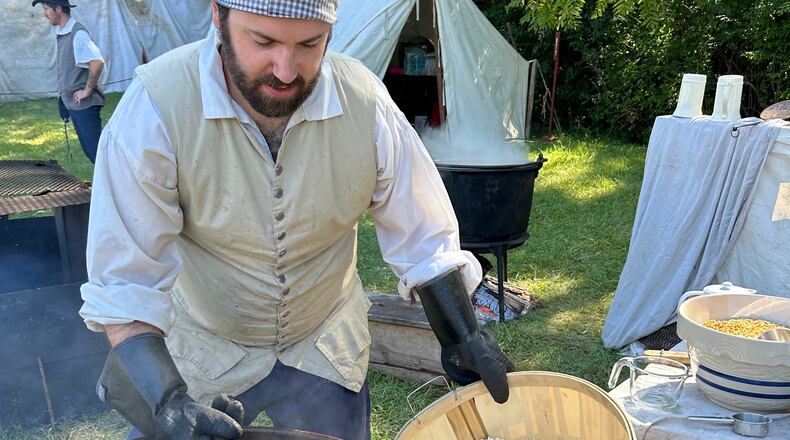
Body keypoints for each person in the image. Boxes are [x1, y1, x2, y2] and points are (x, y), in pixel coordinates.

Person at [79, 1, 515, 439]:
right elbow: (125, 279)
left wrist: (463, 336)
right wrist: (165, 401)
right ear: (218, 16)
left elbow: (422, 232)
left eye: (309, 43)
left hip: (323, 342)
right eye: (263, 41)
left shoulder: (363, 101)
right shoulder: (157, 106)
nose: (286, 71)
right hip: (209, 346)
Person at [33, 0, 105, 163]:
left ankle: (117, 186)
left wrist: (87, 90)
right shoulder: (63, 31)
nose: (44, 14)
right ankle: (108, 186)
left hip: (85, 104)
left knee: (97, 153)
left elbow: (97, 62)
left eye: (46, 9)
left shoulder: (77, 33)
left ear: (58, 9)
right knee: (92, 152)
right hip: (74, 104)